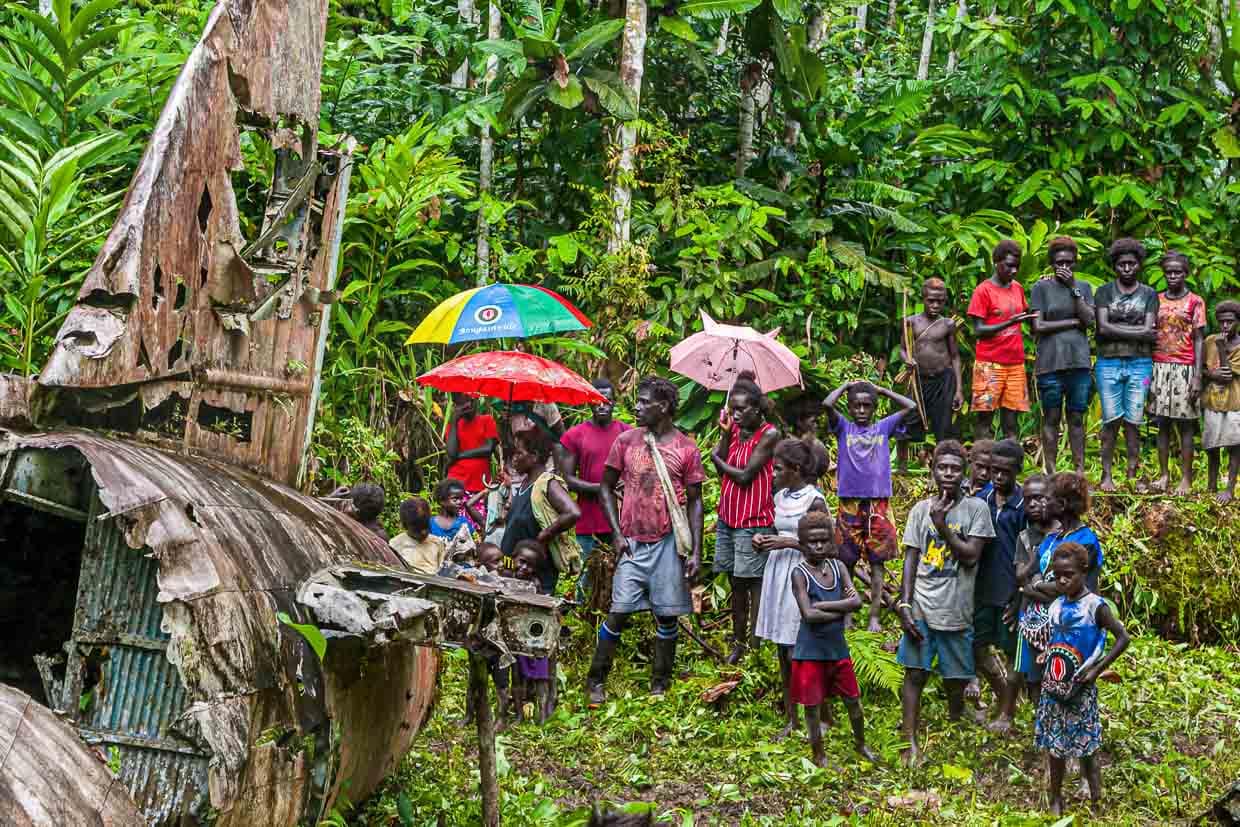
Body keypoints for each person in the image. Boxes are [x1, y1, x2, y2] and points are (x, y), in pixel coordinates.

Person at [586, 377, 705, 705]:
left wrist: (696, 550)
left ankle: (659, 684)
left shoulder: (686, 449)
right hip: (632, 543)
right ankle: (595, 680)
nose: (636, 407)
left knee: (666, 616)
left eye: (643, 401)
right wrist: (616, 533)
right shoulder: (626, 442)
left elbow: (696, 501)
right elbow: (605, 488)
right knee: (618, 612)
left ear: (663, 407)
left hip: (667, 542)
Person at [896, 440, 996, 767]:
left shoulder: (977, 510)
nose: (949, 474)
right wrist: (905, 604)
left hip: (958, 609)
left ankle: (957, 715)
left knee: (956, 676)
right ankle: (909, 739)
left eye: (955, 468)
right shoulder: (919, 510)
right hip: (924, 605)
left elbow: (970, 557)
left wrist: (943, 526)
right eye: (943, 468)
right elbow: (911, 557)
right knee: (915, 673)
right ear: (933, 470)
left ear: (964, 470)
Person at [1037, 542, 1130, 816]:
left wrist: (1097, 669)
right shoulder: (1056, 605)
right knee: (1055, 747)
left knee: (1087, 747)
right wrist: (1047, 654)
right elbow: (1057, 638)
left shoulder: (1095, 607)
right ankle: (1055, 797)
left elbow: (1123, 638)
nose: (1063, 580)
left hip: (1082, 688)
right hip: (1054, 687)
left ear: (1084, 571)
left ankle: (1097, 797)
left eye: (1069, 574)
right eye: (1057, 576)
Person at [823, 380, 918, 632]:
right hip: (849, 504)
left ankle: (874, 615)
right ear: (850, 408)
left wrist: (883, 391)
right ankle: (847, 614)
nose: (862, 410)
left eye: (867, 405)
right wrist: (844, 387)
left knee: (878, 562)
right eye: (856, 406)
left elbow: (911, 406)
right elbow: (827, 404)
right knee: (846, 561)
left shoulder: (883, 427)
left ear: (874, 408)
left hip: (879, 505)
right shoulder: (844, 427)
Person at [789, 510, 877, 768]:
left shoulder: (838, 568)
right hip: (810, 651)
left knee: (853, 700)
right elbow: (808, 614)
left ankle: (861, 744)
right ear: (802, 545)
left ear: (831, 541)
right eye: (812, 542)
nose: (818, 546)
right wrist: (841, 607)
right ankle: (819, 754)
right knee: (813, 707)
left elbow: (857, 601)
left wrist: (825, 606)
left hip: (837, 648)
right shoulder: (799, 573)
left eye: (823, 541)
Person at [752, 440, 828, 740]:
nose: (772, 473)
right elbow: (777, 530)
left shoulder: (815, 500)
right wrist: (763, 539)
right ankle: (791, 718)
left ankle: (818, 717)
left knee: (800, 649)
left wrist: (789, 542)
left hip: (803, 576)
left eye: (779, 468)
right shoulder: (780, 496)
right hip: (777, 572)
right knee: (782, 650)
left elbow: (828, 547)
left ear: (796, 470)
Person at [1015, 471, 1103, 702]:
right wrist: (1040, 586)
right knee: (1037, 680)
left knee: (1067, 682)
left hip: (1072, 624)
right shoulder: (1052, 538)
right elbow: (1028, 575)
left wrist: (1035, 587)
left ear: (1062, 505)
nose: (1043, 502)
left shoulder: (1085, 540)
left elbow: (1063, 588)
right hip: (1041, 622)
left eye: (1049, 498)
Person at [711, 372, 779, 663]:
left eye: (742, 410)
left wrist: (717, 459)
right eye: (733, 409)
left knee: (753, 584)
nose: (736, 415)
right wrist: (725, 433)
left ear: (757, 409)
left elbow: (744, 475)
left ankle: (755, 643)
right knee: (735, 583)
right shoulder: (735, 431)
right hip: (728, 518)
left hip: (753, 521)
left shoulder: (770, 434)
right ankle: (739, 642)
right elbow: (722, 470)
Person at [556, 378, 632, 602]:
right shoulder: (575, 435)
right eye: (597, 400)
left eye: (606, 400)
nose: (602, 405)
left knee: (619, 571)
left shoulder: (627, 433)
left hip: (620, 518)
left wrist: (625, 484)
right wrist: (603, 489)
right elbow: (568, 479)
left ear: (614, 402)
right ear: (589, 402)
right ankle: (580, 619)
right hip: (588, 517)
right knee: (585, 575)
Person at [1094, 238, 1159, 492]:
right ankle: (1106, 475)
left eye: (1132, 264)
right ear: (1115, 266)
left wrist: (1116, 329)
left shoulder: (1149, 294)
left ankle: (1132, 474)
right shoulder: (1104, 292)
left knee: (1134, 420)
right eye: (1122, 264)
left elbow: (1148, 328)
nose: (1127, 268)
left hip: (1140, 364)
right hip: (1108, 362)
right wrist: (1139, 333)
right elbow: (1102, 327)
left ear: (1139, 265)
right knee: (1111, 420)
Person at [969, 438, 1023, 733]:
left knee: (1013, 652)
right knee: (977, 646)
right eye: (994, 471)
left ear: (1017, 471)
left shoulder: (1026, 504)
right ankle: (1004, 697)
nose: (999, 477)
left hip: (1011, 592)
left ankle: (1008, 712)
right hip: (982, 589)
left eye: (1005, 471)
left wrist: (1019, 596)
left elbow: (1030, 553)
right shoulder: (982, 499)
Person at [1030, 236, 1095, 474]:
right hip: (1050, 363)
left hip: (1078, 362)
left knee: (1077, 418)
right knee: (1051, 418)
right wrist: (1071, 322)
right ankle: (1051, 471)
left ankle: (1079, 471)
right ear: (1052, 263)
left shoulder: (1084, 287)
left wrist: (1073, 290)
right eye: (1060, 263)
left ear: (1075, 263)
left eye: (1069, 262)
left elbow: (1089, 320)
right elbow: (1038, 326)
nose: (1064, 267)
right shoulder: (1041, 288)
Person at [968, 239, 1037, 441]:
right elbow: (978, 330)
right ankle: (982, 463)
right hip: (989, 364)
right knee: (985, 420)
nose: (1014, 271)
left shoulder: (1017, 288)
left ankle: (1009, 466)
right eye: (1009, 266)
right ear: (996, 262)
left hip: (1015, 364)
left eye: (1017, 266)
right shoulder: (983, 291)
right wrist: (1009, 322)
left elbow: (1026, 314)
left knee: (1011, 421)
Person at [1149, 251, 1205, 495]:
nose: (1173, 276)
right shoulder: (1156, 299)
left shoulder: (1195, 301)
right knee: (1162, 424)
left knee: (1186, 426)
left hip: (1185, 367)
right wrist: (1145, 379)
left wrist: (1197, 376)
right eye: (1169, 272)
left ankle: (1186, 479)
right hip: (1158, 366)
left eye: (1178, 272)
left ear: (1186, 273)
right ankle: (1163, 475)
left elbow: (1200, 339)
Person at [501, 430, 581, 595]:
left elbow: (573, 512)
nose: (514, 458)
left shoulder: (547, 483)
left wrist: (546, 533)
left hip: (535, 574)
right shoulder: (524, 483)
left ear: (535, 456)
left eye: (518, 453)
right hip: (513, 568)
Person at [897, 277, 963, 472]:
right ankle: (902, 466)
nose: (935, 305)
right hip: (917, 381)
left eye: (940, 301)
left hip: (944, 380)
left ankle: (940, 468)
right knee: (907, 419)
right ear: (923, 299)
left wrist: (959, 389)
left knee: (944, 425)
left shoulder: (948, 324)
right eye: (931, 300)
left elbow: (955, 356)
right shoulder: (910, 322)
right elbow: (902, 348)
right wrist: (907, 359)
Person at [512, 540, 555, 724]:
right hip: (515, 638)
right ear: (513, 559)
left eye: (529, 565)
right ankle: (519, 714)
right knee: (517, 677)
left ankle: (543, 715)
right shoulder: (508, 580)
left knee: (541, 678)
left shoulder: (535, 584)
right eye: (521, 561)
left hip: (535, 638)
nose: (524, 568)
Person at [1203, 301, 1240, 502]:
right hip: (1213, 401)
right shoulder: (1209, 341)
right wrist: (1210, 373)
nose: (1225, 326)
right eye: (1222, 322)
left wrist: (1221, 347)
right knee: (1212, 446)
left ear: (1238, 322)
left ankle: (1229, 488)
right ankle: (1211, 485)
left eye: (1230, 322)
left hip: (1234, 402)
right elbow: (1202, 369)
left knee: (1235, 445)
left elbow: (1226, 374)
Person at [445, 393, 499, 496]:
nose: (467, 406)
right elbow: (452, 454)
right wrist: (455, 420)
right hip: (456, 482)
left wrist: (460, 456)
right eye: (462, 404)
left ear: (475, 401)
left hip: (479, 484)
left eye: (469, 401)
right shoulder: (452, 427)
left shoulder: (486, 420)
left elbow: (488, 449)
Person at [389, 497, 448, 575]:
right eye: (417, 529)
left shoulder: (437, 543)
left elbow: (443, 572)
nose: (423, 532)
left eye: (426, 526)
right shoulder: (395, 544)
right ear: (405, 526)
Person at [783, 396, 831, 484]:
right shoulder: (786, 443)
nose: (816, 425)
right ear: (799, 422)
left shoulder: (815, 445)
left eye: (817, 422)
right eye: (813, 421)